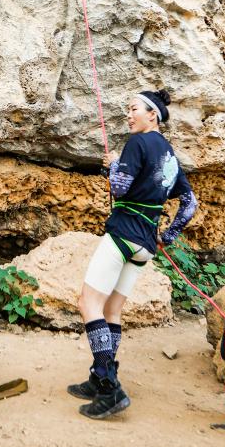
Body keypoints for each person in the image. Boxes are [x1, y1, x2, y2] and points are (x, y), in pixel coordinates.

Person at [67, 89, 198, 420]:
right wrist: (167, 236)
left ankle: (109, 387)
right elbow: (189, 203)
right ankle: (100, 379)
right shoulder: (169, 155)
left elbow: (120, 188)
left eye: (133, 109)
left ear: (151, 114)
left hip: (123, 234)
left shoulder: (138, 144)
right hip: (146, 246)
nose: (129, 114)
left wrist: (113, 166)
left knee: (88, 302)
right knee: (112, 309)